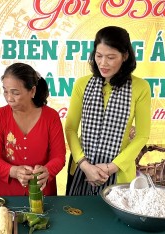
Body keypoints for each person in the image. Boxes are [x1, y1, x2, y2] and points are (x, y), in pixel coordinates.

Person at [65, 26, 151, 196]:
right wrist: (85, 165)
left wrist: (111, 167)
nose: (103, 63)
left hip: (118, 172)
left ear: (125, 56)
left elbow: (142, 135)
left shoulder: (140, 87)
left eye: (111, 57)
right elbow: (70, 128)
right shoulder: (82, 84)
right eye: (99, 56)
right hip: (82, 167)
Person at [0, 63, 66, 196]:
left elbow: (59, 156)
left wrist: (48, 170)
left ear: (32, 91)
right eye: (5, 91)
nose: (9, 98)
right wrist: (13, 171)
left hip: (42, 191)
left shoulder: (51, 116)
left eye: (15, 93)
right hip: (7, 192)